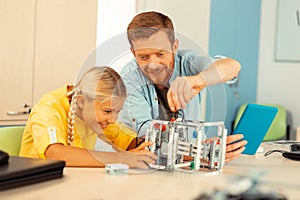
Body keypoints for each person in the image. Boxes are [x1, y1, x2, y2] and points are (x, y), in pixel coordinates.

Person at [117, 11, 247, 162]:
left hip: (194, 163)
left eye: (160, 54)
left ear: (174, 46)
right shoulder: (128, 80)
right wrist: (204, 153)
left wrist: (196, 80)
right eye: (143, 57)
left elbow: (232, 67)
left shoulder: (187, 62)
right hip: (150, 168)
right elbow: (148, 143)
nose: (153, 65)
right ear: (133, 53)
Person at [19, 66, 156, 169]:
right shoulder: (48, 108)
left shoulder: (98, 116)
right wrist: (120, 158)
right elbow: (55, 153)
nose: (113, 120)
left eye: (117, 112)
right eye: (108, 111)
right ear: (81, 102)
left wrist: (146, 147)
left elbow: (126, 139)